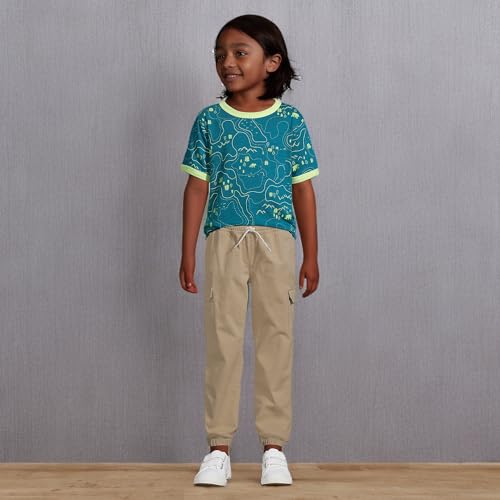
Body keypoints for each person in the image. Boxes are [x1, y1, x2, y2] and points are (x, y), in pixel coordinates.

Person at [179, 14, 319, 487]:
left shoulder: (290, 122)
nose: (228, 62)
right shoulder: (210, 121)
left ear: (271, 62)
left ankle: (273, 449)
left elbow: (303, 190)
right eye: (221, 54)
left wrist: (311, 255)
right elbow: (196, 187)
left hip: (277, 242)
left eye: (240, 53)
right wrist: (187, 251)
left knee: (276, 339)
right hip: (223, 240)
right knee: (223, 341)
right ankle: (218, 448)